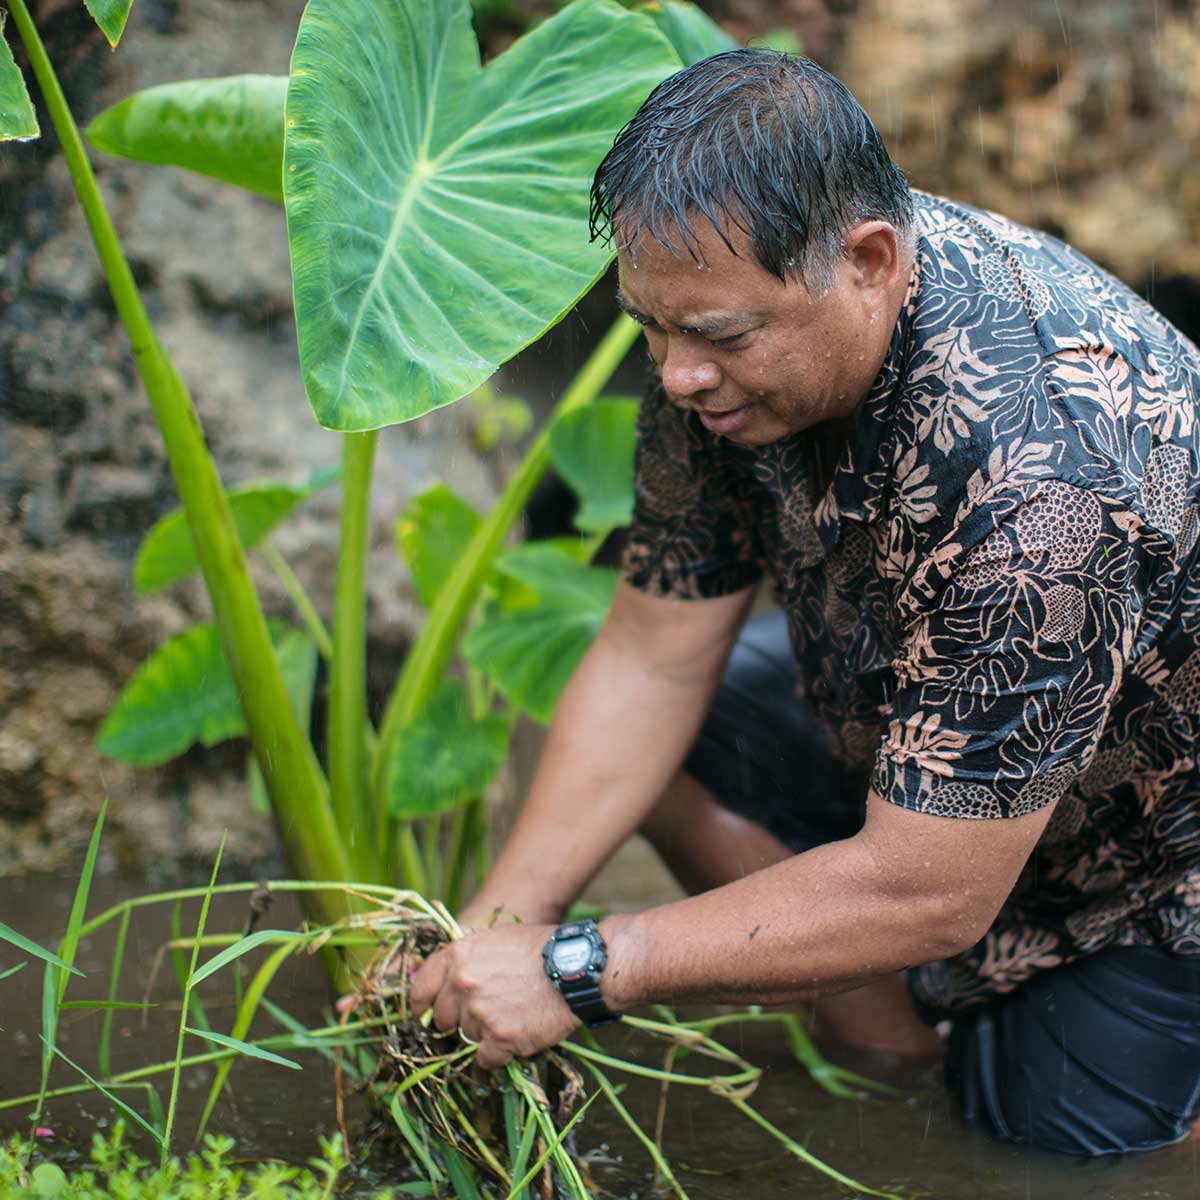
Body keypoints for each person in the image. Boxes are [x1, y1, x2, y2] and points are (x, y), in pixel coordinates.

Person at [411, 49, 1200, 1157]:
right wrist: (499, 932)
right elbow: (652, 655)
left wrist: (582, 970)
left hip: (1148, 853)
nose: (677, 375)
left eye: (721, 337)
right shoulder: (715, 323)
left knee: (1055, 1147)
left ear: (871, 261)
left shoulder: (1047, 479)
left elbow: (935, 893)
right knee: (670, 735)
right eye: (651, 328)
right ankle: (891, 1046)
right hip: (903, 718)